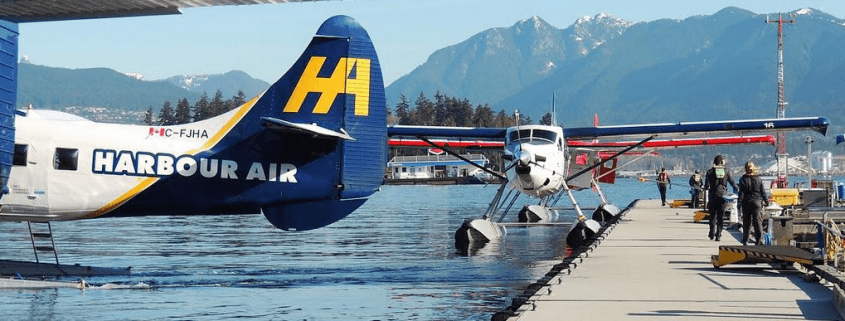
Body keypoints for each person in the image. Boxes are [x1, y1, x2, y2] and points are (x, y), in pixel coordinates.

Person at [703, 155, 738, 241]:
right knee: (720, 216)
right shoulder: (727, 172)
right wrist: (738, 189)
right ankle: (718, 235)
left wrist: (705, 187)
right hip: (723, 196)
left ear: (714, 162)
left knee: (712, 216)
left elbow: (707, 185)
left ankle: (711, 233)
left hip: (712, 196)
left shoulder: (709, 172)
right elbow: (732, 183)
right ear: (722, 162)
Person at [738, 161, 769, 246]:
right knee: (757, 222)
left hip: (747, 202)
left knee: (747, 222)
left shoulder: (742, 179)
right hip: (757, 202)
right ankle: (758, 240)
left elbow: (741, 194)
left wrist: (739, 204)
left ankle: (745, 240)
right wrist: (767, 201)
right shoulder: (759, 179)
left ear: (745, 169)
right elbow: (763, 192)